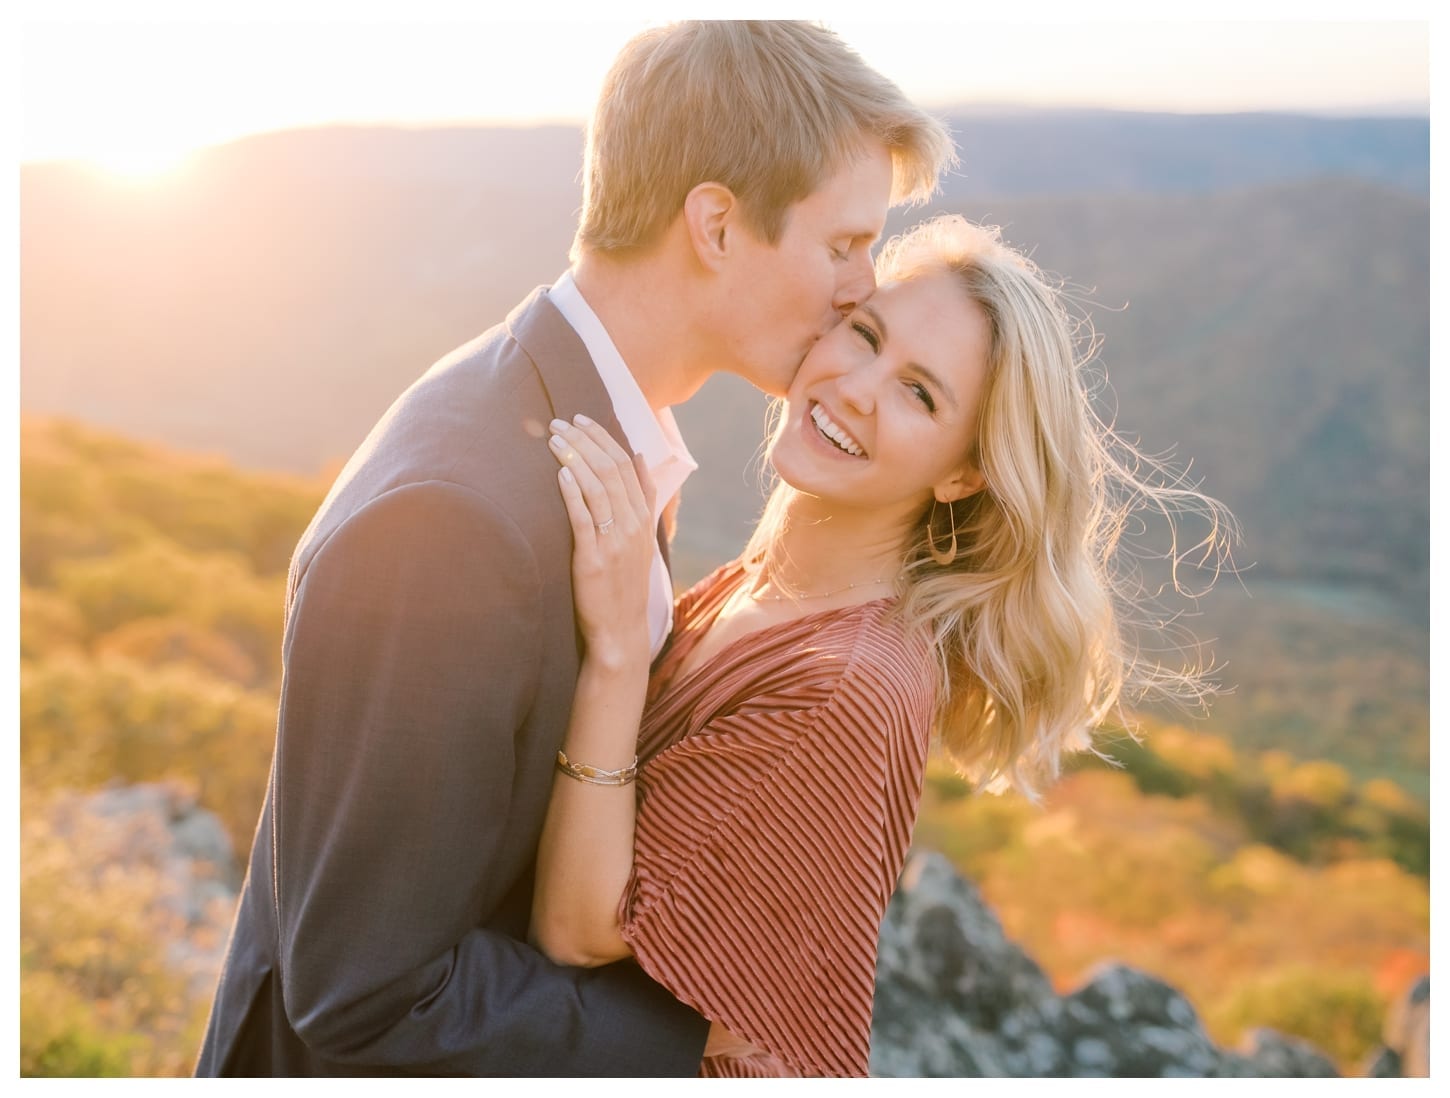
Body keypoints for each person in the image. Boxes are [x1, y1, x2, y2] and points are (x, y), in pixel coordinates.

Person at [193, 21, 953, 1077]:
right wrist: (690, 1039)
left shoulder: (601, 440)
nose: (861, 286)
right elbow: (362, 995)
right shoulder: (453, 523)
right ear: (717, 227)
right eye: (842, 245)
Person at [530, 215, 1236, 1077]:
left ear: (962, 472)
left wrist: (612, 652)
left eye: (919, 394)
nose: (857, 387)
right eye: (865, 335)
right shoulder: (765, 585)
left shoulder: (848, 684)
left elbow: (579, 929)